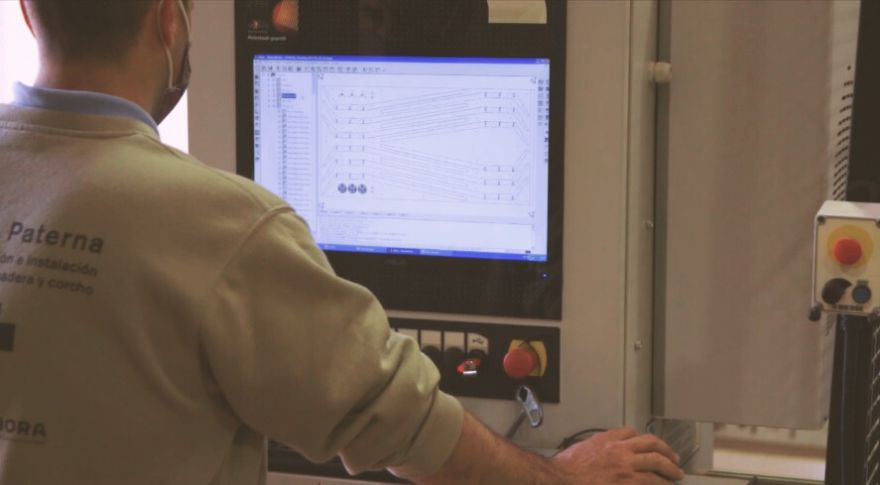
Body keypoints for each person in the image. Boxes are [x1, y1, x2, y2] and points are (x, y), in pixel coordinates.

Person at [0, 1, 685, 484]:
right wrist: (558, 477)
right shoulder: (216, 221)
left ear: (28, 13)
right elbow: (401, 425)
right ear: (168, 21)